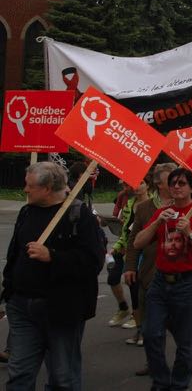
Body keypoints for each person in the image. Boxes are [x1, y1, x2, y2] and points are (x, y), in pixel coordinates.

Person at [2, 162, 100, 390]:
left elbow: (92, 261)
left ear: (47, 188)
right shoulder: (27, 211)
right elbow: (14, 254)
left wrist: (53, 256)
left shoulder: (78, 215)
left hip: (62, 309)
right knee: (19, 374)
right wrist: (8, 290)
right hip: (22, 306)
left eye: (30, 186)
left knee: (62, 377)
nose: (25, 190)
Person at [133, 168, 192, 391]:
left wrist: (190, 233)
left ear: (191, 188)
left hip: (188, 283)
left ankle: (179, 385)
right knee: (151, 333)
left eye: (181, 183)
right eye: (173, 183)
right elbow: (138, 243)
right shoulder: (163, 212)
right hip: (160, 282)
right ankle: (160, 381)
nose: (176, 187)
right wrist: (157, 222)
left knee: (185, 341)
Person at [124, 162, 176, 374]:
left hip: (177, 276)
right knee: (150, 327)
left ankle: (181, 364)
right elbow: (133, 239)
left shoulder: (185, 206)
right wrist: (129, 266)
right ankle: (153, 362)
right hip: (149, 273)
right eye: (169, 180)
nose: (175, 184)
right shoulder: (145, 208)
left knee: (177, 326)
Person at [108, 179, 149, 332]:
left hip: (143, 250)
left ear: (148, 185)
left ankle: (138, 320)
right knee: (113, 278)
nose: (136, 186)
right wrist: (118, 246)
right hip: (127, 248)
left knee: (137, 286)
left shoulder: (152, 204)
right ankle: (124, 309)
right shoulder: (129, 203)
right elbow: (125, 229)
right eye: (134, 183)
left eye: (142, 183)